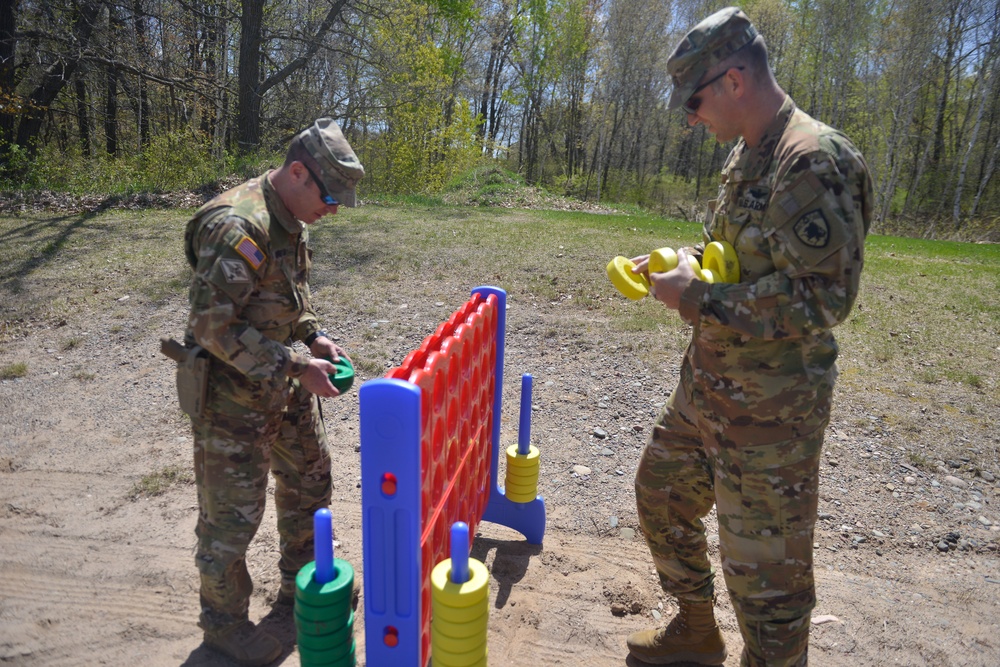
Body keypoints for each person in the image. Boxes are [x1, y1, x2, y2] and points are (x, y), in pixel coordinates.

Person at [626, 7, 873, 667]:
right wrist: (685, 265)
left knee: (766, 583)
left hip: (769, 420)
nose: (690, 117)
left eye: (694, 100)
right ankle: (696, 629)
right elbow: (736, 256)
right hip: (707, 394)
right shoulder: (748, 154)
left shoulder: (812, 158)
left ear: (735, 81)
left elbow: (823, 298)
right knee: (662, 491)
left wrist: (699, 297)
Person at [175, 118, 364, 665]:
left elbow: (287, 298)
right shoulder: (236, 226)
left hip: (286, 384)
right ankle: (224, 626)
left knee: (310, 482)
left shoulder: (291, 217)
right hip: (231, 401)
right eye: (330, 197)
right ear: (297, 172)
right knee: (230, 520)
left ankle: (302, 586)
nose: (332, 210)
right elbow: (213, 328)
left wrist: (314, 336)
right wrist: (296, 364)